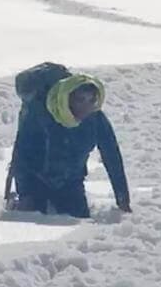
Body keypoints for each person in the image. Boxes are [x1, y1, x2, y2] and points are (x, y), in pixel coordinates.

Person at [9, 68, 130, 217]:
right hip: (35, 178)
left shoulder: (96, 119)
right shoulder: (39, 113)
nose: (86, 106)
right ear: (68, 98)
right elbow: (21, 155)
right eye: (80, 100)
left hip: (70, 181)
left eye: (92, 100)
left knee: (79, 217)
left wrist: (123, 199)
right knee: (31, 217)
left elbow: (112, 156)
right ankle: (18, 202)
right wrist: (25, 194)